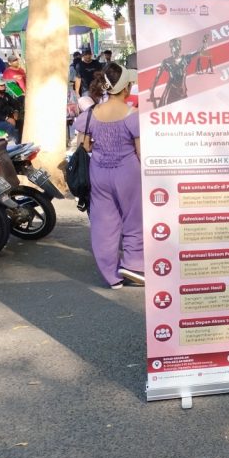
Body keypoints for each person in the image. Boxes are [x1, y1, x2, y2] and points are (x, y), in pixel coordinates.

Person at [77, 62, 144, 289]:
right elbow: (140, 151)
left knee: (103, 224)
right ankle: (134, 265)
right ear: (125, 87)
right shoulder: (132, 115)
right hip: (128, 172)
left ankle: (111, 276)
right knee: (134, 220)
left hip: (99, 172)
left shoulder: (90, 115)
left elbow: (83, 146)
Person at [150, 37, 196, 107]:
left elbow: (198, 52)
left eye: (178, 46)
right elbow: (157, 77)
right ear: (171, 49)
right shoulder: (166, 62)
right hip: (171, 88)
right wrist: (152, 92)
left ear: (180, 48)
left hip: (182, 89)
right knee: (164, 106)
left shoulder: (185, 59)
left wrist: (204, 42)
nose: (176, 48)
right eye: (174, 46)